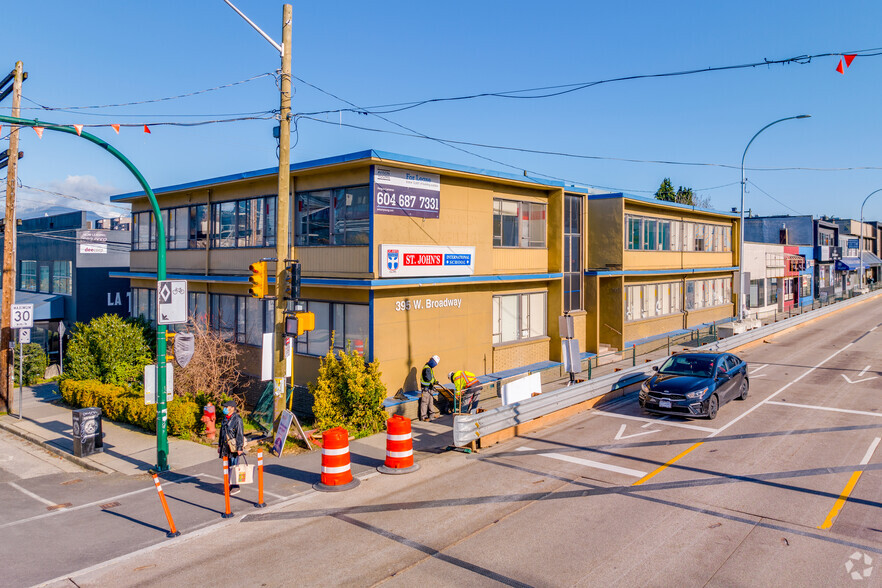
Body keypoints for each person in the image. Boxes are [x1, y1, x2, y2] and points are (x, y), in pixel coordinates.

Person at [218, 399, 244, 495]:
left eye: (226, 407)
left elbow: (240, 433)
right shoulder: (225, 418)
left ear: (232, 408)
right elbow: (222, 433)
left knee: (234, 466)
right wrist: (219, 445)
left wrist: (239, 447)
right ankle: (228, 484)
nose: (225, 408)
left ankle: (235, 486)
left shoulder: (237, 419)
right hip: (225, 446)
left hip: (233, 447)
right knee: (227, 467)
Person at [419, 355, 440, 421]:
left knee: (430, 401)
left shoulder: (429, 368)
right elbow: (428, 379)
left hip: (429, 388)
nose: (435, 365)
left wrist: (435, 381)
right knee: (424, 402)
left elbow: (432, 378)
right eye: (435, 364)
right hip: (425, 388)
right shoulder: (427, 368)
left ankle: (432, 414)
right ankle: (424, 416)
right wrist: (434, 382)